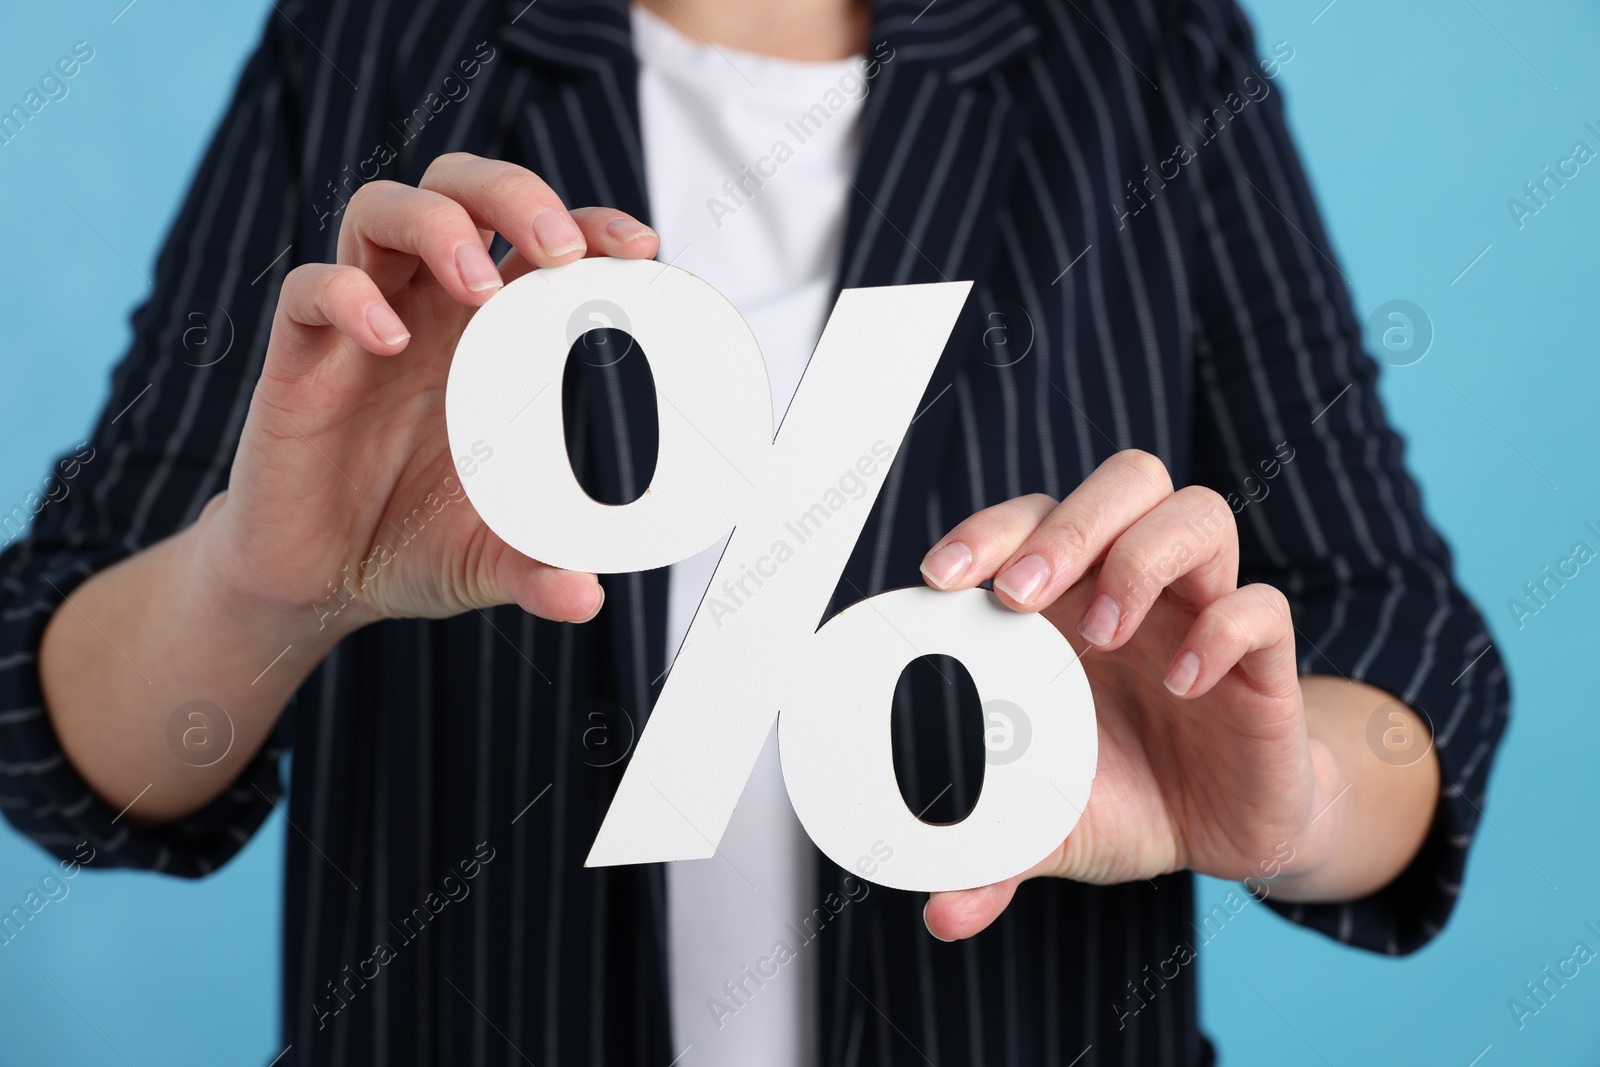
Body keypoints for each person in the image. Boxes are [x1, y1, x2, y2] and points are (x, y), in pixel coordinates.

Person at [0, 0, 1508, 1063]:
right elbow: (63, 731)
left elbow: (1404, 637)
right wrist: (262, 590)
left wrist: (1284, 795)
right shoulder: (374, 42)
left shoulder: (1142, 50)